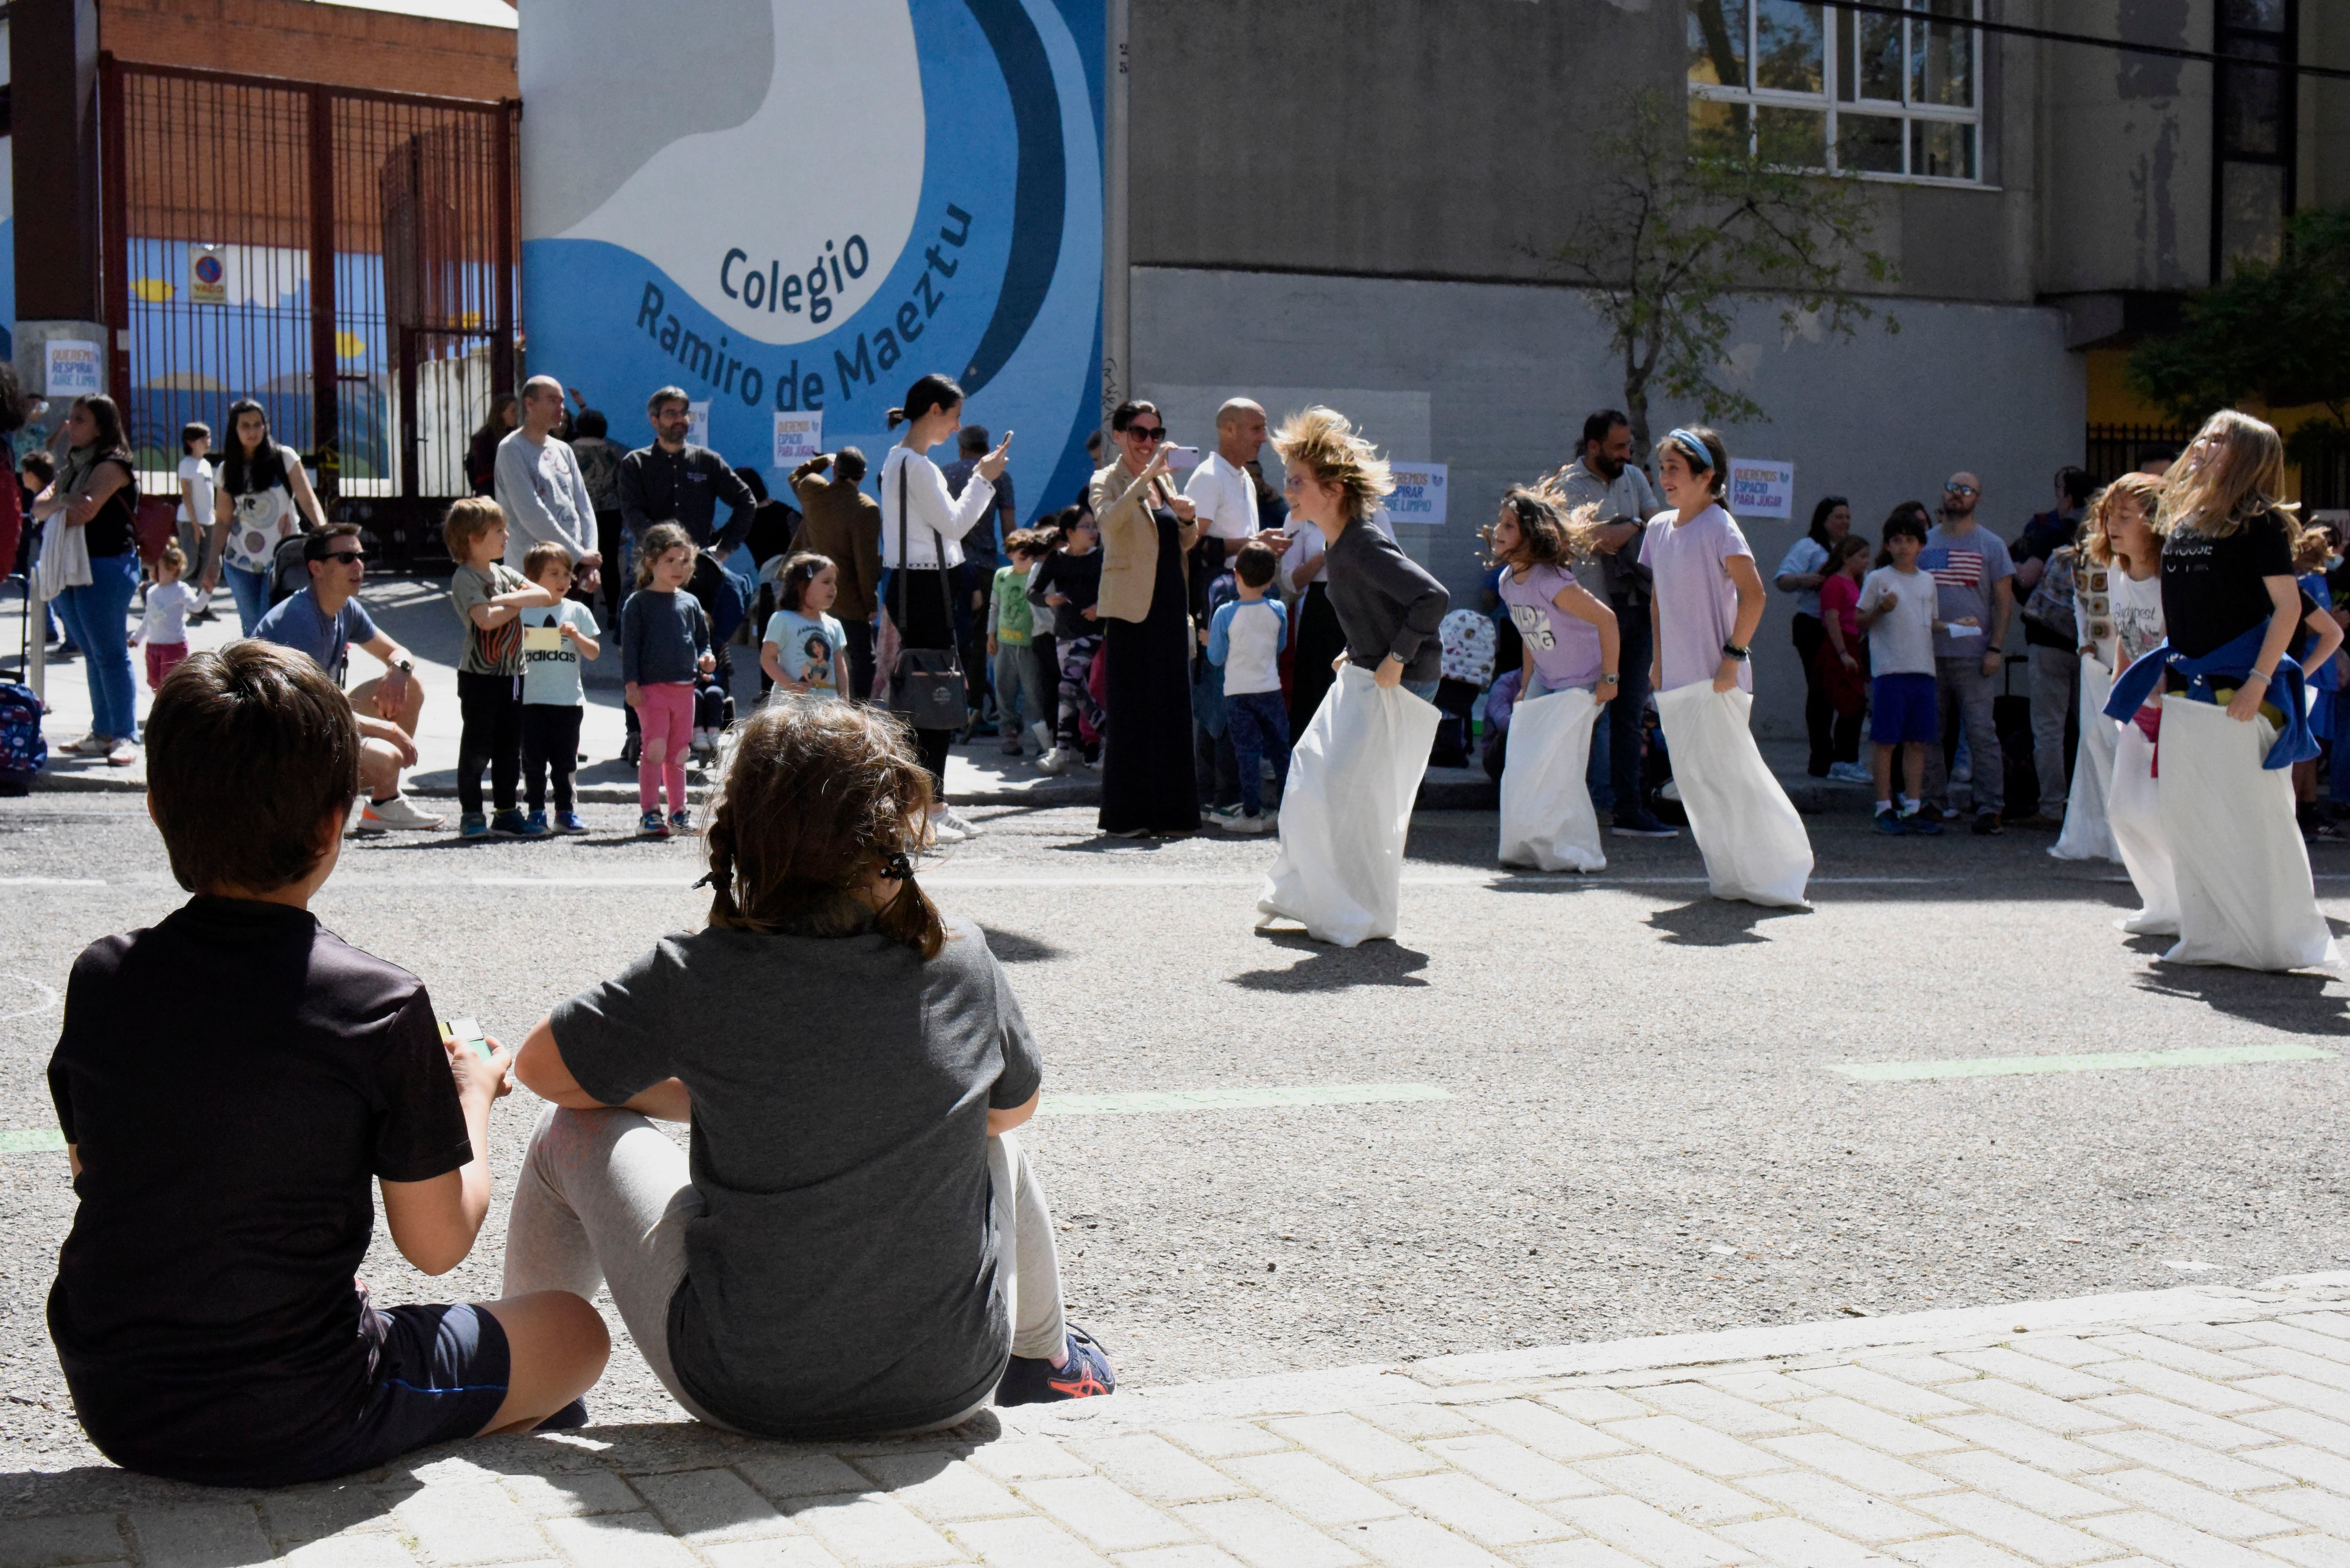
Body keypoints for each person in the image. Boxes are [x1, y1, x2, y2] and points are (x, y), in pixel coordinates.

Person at [45, 640, 608, 1486]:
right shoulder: (376, 1003)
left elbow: (100, 1167)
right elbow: (439, 1239)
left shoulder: (102, 977)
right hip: (305, 1403)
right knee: (575, 1331)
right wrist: (473, 1092)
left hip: (118, 1399)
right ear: (333, 821)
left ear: (159, 808)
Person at [503, 699, 1113, 1436]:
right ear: (888, 831)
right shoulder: (961, 959)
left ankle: (534, 1385)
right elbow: (1013, 1111)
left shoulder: (700, 972)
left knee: (562, 1127)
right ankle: (1044, 1362)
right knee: (989, 1137)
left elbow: (541, 1067)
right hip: (952, 1383)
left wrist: (736, 1097)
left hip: (749, 1390)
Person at [2103, 409, 2337, 970]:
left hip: (2238, 695)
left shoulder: (2256, 521)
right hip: (2186, 691)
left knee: (2255, 822)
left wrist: (2260, 683)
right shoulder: (2184, 519)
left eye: (2219, 440)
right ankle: (2210, 936)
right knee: (2190, 820)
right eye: (2204, 436)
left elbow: (2287, 610)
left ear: (2249, 457)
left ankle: (2276, 941)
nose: (2203, 445)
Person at [1257, 407, 1447, 946]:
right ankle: (1320, 898)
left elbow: (1431, 597)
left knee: (1354, 796)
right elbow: (1378, 604)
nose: (1287, 489)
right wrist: (1353, 648)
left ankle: (1357, 912)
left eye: (1297, 481)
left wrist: (1396, 658)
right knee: (1314, 774)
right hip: (1370, 669)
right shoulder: (1337, 544)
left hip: (1401, 680)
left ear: (1333, 489)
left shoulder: (1361, 543)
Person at [1644, 426, 1812, 907]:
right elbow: (1657, 601)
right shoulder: (1658, 528)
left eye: (1674, 469)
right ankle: (1733, 876)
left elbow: (1754, 595)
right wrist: (1657, 659)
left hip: (1717, 678)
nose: (1664, 478)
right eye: (1662, 468)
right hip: (1676, 679)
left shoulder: (1719, 525)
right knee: (1696, 783)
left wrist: (1732, 658)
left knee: (1732, 777)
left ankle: (1778, 872)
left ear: (1705, 475)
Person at [880, 374, 1011, 843]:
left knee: (927, 696)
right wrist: (983, 479)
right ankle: (926, 810)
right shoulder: (916, 464)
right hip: (925, 584)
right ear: (933, 410)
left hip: (915, 580)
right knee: (934, 698)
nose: (956, 428)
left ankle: (928, 804)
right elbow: (954, 525)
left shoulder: (901, 460)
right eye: (953, 416)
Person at [249, 525, 441, 831]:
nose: (359, 565)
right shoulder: (299, 621)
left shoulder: (345, 608)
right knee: (387, 758)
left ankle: (384, 804)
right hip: (282, 742)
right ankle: (306, 803)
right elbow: (314, 710)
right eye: (347, 557)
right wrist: (389, 730)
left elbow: (398, 651)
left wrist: (398, 670)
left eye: (361, 556)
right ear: (317, 568)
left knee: (411, 685)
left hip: (315, 721)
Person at [1491, 484, 1620, 871]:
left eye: (1509, 525)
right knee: (1527, 761)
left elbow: (1607, 620)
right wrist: (1527, 685)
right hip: (1547, 681)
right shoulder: (1507, 583)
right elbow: (1530, 634)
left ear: (1531, 536)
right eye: (1500, 522)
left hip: (1581, 683)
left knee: (1560, 766)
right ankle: (1529, 842)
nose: (1498, 530)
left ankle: (1568, 846)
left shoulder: (1553, 582)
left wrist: (1609, 679)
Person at [1555, 410, 1672, 837]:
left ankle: (1629, 808)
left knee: (1627, 714)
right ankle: (1568, 808)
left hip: (1635, 609)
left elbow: (1657, 530)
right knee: (1581, 713)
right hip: (1585, 617)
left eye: (1629, 447)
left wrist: (1631, 525)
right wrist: (1629, 526)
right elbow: (1591, 538)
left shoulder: (1634, 479)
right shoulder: (1567, 486)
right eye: (1619, 447)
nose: (1627, 455)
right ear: (1593, 447)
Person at [1093, 400, 1202, 838]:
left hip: (1170, 604)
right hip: (1129, 609)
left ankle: (1172, 815)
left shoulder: (1165, 478)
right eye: (1140, 433)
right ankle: (1127, 816)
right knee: (1132, 711)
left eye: (1156, 434)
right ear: (1119, 435)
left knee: (1173, 710)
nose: (1149, 442)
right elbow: (1108, 522)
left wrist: (1188, 519)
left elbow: (1181, 543)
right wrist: (1146, 476)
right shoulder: (1107, 478)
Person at [27, 397, 142, 765]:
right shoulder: (73, 466)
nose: (70, 425)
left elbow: (84, 510)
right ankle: (102, 731)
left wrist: (61, 504)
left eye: (80, 419)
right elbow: (39, 508)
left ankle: (126, 734)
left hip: (106, 567)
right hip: (71, 567)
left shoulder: (113, 463)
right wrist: (65, 499)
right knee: (92, 654)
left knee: (110, 653)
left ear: (100, 427)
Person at [2084, 474, 2174, 916]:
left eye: (2125, 517)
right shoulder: (2116, 570)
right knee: (2124, 811)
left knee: (2167, 814)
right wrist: (2122, 686)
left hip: (2174, 711)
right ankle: (2160, 903)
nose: (2112, 526)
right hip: (2137, 708)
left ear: (2155, 522)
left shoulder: (2171, 576)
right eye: (2108, 516)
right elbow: (2125, 632)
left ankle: (2180, 904)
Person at [445, 499, 554, 840]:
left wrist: (508, 599)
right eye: (499, 530)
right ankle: (472, 814)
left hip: (513, 674)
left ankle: (507, 811)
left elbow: (544, 595)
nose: (507, 535)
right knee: (478, 747)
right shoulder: (465, 577)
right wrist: (515, 603)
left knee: (509, 746)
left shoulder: (505, 574)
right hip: (480, 676)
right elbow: (486, 620)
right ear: (475, 538)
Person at [1918, 470, 2015, 834]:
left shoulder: (1991, 545)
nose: (1957, 495)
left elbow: (2004, 603)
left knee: (1980, 732)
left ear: (1977, 498)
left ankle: (1990, 806)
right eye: (1952, 488)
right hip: (1928, 654)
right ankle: (1932, 801)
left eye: (1965, 490)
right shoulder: (1924, 544)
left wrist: (1996, 647)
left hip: (1975, 655)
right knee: (1930, 731)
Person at [202, 399, 329, 634]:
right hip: (240, 562)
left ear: (266, 427)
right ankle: (255, 672)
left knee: (279, 626)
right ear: (235, 430)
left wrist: (324, 532)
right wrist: (212, 562)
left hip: (283, 560)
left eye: (258, 425)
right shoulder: (227, 470)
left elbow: (307, 498)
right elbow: (222, 521)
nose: (253, 431)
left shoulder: (284, 458)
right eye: (246, 426)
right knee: (253, 631)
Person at [1856, 510, 1947, 835]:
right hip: (1890, 670)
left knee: (1917, 742)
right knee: (1885, 741)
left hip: (1922, 669)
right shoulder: (1879, 579)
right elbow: (1859, 620)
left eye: (1910, 540)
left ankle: (1913, 805)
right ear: (1889, 545)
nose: (1904, 546)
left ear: (1921, 545)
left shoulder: (1928, 581)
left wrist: (1954, 626)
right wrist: (1882, 608)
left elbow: (1929, 622)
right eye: (1898, 540)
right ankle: (1883, 806)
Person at [624, 523, 716, 838]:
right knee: (654, 749)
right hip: (651, 690)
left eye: (685, 560)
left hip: (684, 689)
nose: (679, 567)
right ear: (651, 562)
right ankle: (649, 812)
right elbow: (630, 648)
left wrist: (706, 658)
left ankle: (678, 811)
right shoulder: (638, 603)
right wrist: (632, 685)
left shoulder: (690, 603)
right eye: (670, 560)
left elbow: (703, 641)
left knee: (679, 752)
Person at [1204, 540, 1292, 833]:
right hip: (1270, 689)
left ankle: (1251, 812)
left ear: (1236, 575)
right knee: (1281, 752)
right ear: (1270, 581)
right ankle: (1286, 810)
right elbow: (1279, 647)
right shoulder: (1278, 609)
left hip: (1238, 693)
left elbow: (1216, 657)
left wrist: (1209, 641)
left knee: (1248, 754)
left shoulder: (1225, 614)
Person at [517, 542, 600, 836]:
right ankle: (536, 812)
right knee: (533, 762)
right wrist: (551, 639)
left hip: (568, 701)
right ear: (531, 577)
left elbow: (593, 652)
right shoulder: (522, 611)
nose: (564, 581)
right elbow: (517, 647)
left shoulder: (577, 611)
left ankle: (565, 812)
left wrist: (576, 637)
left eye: (568, 573)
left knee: (566, 762)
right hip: (531, 701)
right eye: (554, 574)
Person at [788, 449, 883, 701]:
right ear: (863, 475)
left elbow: (797, 475)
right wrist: (870, 603)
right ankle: (860, 714)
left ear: (835, 470)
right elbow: (866, 564)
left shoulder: (813, 493)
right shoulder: (865, 507)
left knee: (811, 655)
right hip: (848, 598)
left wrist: (823, 460)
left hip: (810, 594)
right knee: (863, 659)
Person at [493, 376, 602, 584]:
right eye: (553, 400)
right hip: (531, 571)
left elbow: (584, 505)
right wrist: (578, 554)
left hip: (570, 568)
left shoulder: (563, 449)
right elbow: (531, 512)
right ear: (530, 404)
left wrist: (590, 554)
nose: (561, 407)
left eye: (562, 401)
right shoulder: (512, 449)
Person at [1776, 495, 1855, 779]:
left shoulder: (1850, 550)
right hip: (1813, 625)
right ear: (1824, 520)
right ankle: (1821, 756)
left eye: (1847, 517)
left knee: (1846, 690)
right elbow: (1782, 579)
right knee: (1821, 690)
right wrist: (1804, 580)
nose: (1844, 522)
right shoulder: (1809, 547)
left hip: (1843, 628)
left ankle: (1845, 757)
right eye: (1838, 517)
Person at [1029, 507, 1105, 776]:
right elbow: (1033, 593)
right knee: (1075, 690)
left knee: (1068, 684)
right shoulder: (1056, 560)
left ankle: (1060, 751)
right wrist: (1048, 600)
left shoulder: (1102, 558)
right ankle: (1110, 734)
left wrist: (1101, 606)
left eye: (1095, 526)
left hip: (1093, 632)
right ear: (1070, 532)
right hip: (1064, 633)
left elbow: (1114, 589)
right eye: (1087, 527)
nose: (1094, 532)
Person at [1185, 398, 1276, 570]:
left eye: (1263, 429)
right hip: (1217, 591)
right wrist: (1256, 543)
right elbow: (1191, 545)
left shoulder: (1245, 477)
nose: (1264, 438)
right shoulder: (1209, 477)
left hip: (1244, 590)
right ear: (1230, 429)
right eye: (1256, 429)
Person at [1816, 535, 1872, 781]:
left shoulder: (1857, 584)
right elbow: (1832, 618)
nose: (1866, 562)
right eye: (1861, 556)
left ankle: (1849, 758)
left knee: (1857, 705)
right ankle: (1843, 761)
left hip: (1854, 645)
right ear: (1846, 557)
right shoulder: (1835, 584)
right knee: (1850, 704)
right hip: (1841, 647)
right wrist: (1843, 653)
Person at [988, 530, 1051, 755]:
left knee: (1034, 693)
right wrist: (991, 634)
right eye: (1019, 551)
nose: (1024, 555)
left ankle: (1043, 741)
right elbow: (994, 607)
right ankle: (1009, 734)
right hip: (1004, 643)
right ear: (1009, 553)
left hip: (1029, 645)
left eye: (1029, 551)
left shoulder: (1038, 575)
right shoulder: (1002, 576)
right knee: (1004, 691)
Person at [568, 407, 628, 626]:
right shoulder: (614, 453)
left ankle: (586, 607)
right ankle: (613, 611)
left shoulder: (568, 452)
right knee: (609, 561)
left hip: (578, 514)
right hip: (610, 514)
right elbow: (621, 487)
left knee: (581, 561)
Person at [759, 551, 847, 702]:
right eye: (826, 582)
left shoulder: (834, 625)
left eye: (835, 583)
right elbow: (768, 660)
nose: (834, 588)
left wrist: (845, 702)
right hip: (791, 707)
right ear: (802, 586)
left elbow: (840, 668)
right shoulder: (783, 620)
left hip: (826, 708)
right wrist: (791, 685)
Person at [131, 542, 198, 693]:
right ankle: (161, 708)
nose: (152, 573)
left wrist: (206, 593)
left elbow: (196, 607)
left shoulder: (180, 589)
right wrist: (137, 638)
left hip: (174, 645)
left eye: (157, 568)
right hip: (154, 645)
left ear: (172, 569)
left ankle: (170, 712)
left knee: (171, 684)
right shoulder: (152, 592)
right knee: (154, 682)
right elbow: (149, 618)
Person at [175, 422, 217, 621]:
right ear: (190, 443)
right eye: (203, 439)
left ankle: (200, 607)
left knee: (208, 563)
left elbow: (209, 496)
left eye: (208, 438)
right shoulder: (187, 464)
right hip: (190, 521)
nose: (208, 442)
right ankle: (157, 587)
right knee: (189, 564)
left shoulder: (207, 464)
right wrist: (194, 524)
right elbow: (187, 495)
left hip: (208, 521)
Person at [466, 392, 517, 497]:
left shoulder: (515, 436)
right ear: (501, 413)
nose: (517, 415)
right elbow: (480, 468)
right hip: (489, 492)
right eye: (513, 411)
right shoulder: (485, 437)